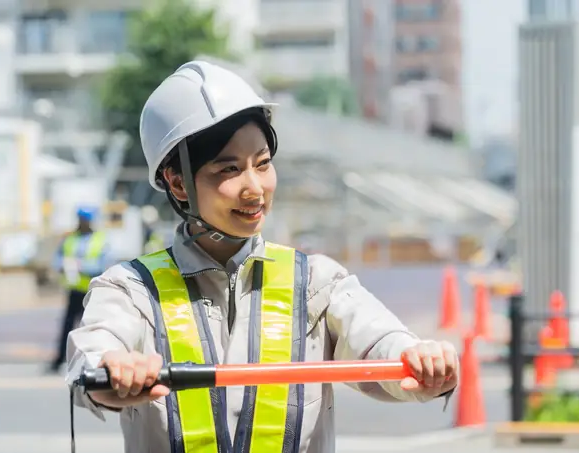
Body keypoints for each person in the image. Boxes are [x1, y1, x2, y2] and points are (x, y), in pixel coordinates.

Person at [66, 61, 459, 453]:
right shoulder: (131, 290)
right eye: (230, 169)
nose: (254, 188)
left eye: (263, 163)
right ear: (178, 182)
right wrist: (115, 368)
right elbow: (94, 355)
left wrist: (420, 359)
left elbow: (380, 342)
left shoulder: (316, 283)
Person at [49, 207, 111, 373]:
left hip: (93, 291)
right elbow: (57, 259)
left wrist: (80, 265)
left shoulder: (100, 239)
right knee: (68, 326)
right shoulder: (70, 239)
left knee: (93, 327)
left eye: (86, 220)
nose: (83, 223)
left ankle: (93, 360)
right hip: (75, 289)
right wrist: (64, 265)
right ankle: (61, 359)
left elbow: (103, 264)